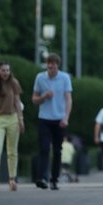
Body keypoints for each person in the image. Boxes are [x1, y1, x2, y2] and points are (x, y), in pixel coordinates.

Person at [32, 53, 73, 190]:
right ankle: (42, 177)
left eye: (54, 64)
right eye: (49, 64)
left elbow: (68, 99)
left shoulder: (65, 78)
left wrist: (66, 117)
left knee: (57, 151)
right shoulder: (40, 77)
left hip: (59, 119)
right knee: (44, 148)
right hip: (44, 118)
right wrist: (44, 96)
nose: (51, 67)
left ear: (57, 65)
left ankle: (54, 179)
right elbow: (34, 99)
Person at [0, 61, 24, 192]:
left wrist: (20, 119)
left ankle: (12, 179)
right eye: (3, 70)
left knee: (12, 151)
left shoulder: (14, 83)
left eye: (7, 70)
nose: (5, 73)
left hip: (12, 118)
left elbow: (18, 102)